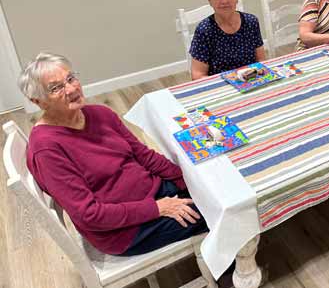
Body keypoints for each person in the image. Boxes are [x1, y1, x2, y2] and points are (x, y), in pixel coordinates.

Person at [21, 52, 209, 256]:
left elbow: (145, 156)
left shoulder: (100, 114)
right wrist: (158, 208)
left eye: (71, 78)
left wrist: (188, 181)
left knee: (215, 189)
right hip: (125, 230)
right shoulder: (47, 149)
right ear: (38, 101)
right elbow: (89, 214)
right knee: (219, 212)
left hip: (152, 191)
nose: (71, 89)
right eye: (56, 88)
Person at [190, 0, 266, 80]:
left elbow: (261, 61)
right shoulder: (204, 30)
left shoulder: (251, 22)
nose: (224, 1)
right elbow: (197, 75)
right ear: (210, 0)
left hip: (252, 81)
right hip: (220, 86)